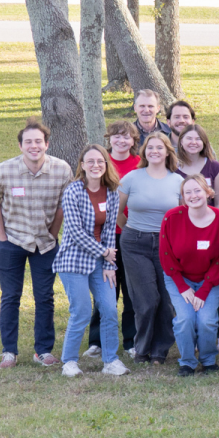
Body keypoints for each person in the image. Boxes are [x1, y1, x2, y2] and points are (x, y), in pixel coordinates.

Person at [54, 145, 129, 377]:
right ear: (83, 165)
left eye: (100, 161)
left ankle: (110, 361)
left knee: (109, 308)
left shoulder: (112, 192)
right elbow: (74, 232)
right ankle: (69, 362)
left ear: (106, 165)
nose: (96, 165)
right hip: (74, 261)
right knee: (82, 311)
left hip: (100, 262)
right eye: (90, 161)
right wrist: (104, 252)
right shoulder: (73, 191)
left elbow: (109, 232)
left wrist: (108, 264)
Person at [117, 131, 184, 365]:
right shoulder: (131, 178)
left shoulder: (178, 181)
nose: (154, 151)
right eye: (150, 147)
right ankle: (142, 349)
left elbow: (184, 217)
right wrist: (131, 231)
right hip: (135, 244)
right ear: (144, 152)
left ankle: (159, 351)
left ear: (168, 152)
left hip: (167, 245)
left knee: (165, 300)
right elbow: (117, 213)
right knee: (146, 300)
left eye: (159, 147)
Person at [160, 175, 219, 376]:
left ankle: (208, 360)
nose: (193, 195)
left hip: (211, 279)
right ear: (182, 197)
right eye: (187, 192)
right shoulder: (172, 218)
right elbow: (166, 256)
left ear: (208, 192)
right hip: (178, 278)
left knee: (207, 320)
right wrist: (183, 287)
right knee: (185, 319)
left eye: (197, 190)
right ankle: (187, 362)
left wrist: (204, 289)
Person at [88, 121, 141, 358]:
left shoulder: (141, 164)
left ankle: (131, 340)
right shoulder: (101, 163)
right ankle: (96, 341)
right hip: (104, 237)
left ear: (133, 140)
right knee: (105, 289)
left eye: (127, 137)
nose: (121, 141)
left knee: (131, 290)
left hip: (133, 234)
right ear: (109, 139)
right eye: (116, 136)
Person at [176, 124, 219, 206]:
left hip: (210, 217)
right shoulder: (173, 169)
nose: (193, 142)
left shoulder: (215, 167)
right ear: (181, 142)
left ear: (204, 142)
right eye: (189, 138)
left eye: (198, 139)